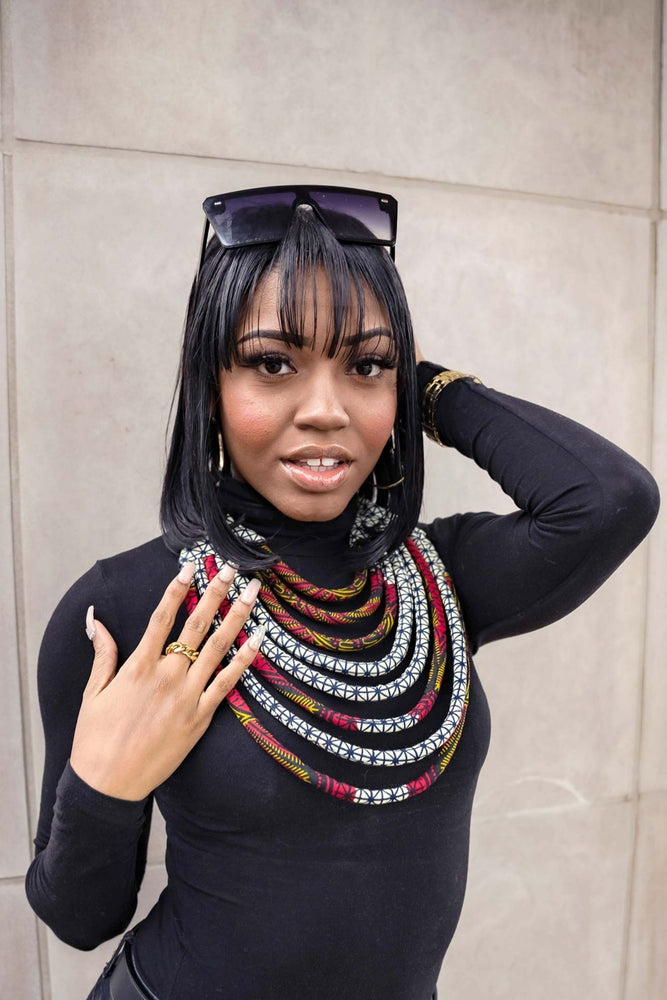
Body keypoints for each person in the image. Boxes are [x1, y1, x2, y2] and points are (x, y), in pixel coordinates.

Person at [25, 185, 659, 1000]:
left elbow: (608, 501)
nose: (325, 411)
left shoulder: (436, 576)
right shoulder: (131, 606)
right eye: (271, 363)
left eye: (364, 367)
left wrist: (422, 386)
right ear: (209, 384)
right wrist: (102, 786)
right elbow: (78, 918)